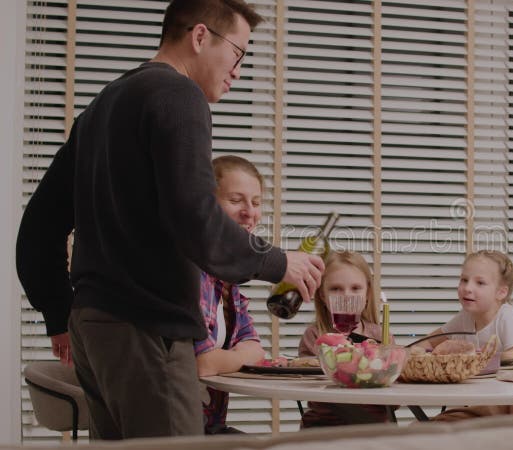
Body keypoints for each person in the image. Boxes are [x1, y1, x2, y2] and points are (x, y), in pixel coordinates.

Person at [15, 0, 324, 440]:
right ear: (200, 37)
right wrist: (279, 263)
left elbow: (38, 228)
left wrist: (59, 312)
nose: (239, 70)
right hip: (147, 331)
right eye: (238, 54)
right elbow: (197, 220)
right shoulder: (179, 96)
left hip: (95, 330)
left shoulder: (100, 108)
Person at [193, 155, 268, 435]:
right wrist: (239, 355)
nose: (250, 212)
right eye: (236, 200)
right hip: (179, 433)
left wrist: (231, 356)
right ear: (208, 206)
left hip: (209, 427)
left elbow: (256, 348)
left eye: (256, 202)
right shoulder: (195, 273)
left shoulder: (228, 282)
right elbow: (203, 364)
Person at [420, 250, 513, 419]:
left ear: (501, 293)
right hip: (476, 402)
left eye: (480, 283)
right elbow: (429, 342)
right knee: (430, 428)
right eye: (464, 280)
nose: (467, 288)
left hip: (511, 401)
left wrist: (477, 358)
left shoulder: (508, 318)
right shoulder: (464, 318)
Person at [297, 251, 396, 428]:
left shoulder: (382, 338)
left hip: (374, 430)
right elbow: (313, 391)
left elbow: (394, 400)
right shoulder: (315, 337)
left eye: (355, 288)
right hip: (323, 428)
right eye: (336, 289)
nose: (346, 296)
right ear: (322, 295)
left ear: (367, 294)